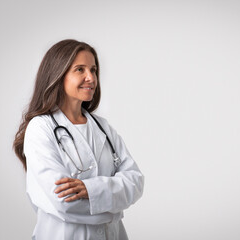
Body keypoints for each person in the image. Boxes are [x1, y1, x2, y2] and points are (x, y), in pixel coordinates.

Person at [13, 39, 144, 240]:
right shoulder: (41, 129)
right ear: (58, 74)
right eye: (80, 70)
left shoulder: (103, 127)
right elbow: (64, 202)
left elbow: (135, 182)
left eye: (93, 70)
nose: (90, 78)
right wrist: (115, 204)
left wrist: (89, 190)